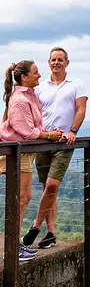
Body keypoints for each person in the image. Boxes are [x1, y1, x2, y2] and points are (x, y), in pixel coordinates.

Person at [22, 47, 88, 249]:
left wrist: (73, 131)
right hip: (43, 141)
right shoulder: (40, 88)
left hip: (63, 143)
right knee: (46, 189)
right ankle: (51, 233)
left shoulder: (77, 84)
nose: (57, 62)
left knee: (52, 186)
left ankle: (35, 227)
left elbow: (81, 110)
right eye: (53, 59)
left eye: (60, 59)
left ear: (67, 63)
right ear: (48, 63)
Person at [1, 61, 63, 261]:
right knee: (20, 199)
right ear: (24, 77)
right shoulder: (19, 99)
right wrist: (49, 136)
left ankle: (15, 245)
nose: (39, 75)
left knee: (24, 198)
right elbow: (27, 132)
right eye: (35, 73)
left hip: (23, 153)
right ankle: (13, 248)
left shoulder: (27, 96)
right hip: (17, 153)